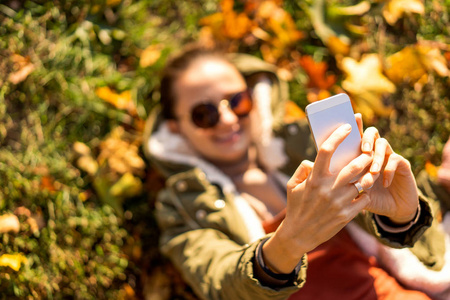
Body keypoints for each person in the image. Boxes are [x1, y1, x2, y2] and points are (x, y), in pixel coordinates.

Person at [143, 45, 448, 299]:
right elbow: (220, 284)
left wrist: (404, 214)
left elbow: (412, 244)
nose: (226, 119)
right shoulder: (182, 207)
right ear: (176, 127)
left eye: (237, 101)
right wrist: (290, 241)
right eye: (203, 114)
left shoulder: (307, 148)